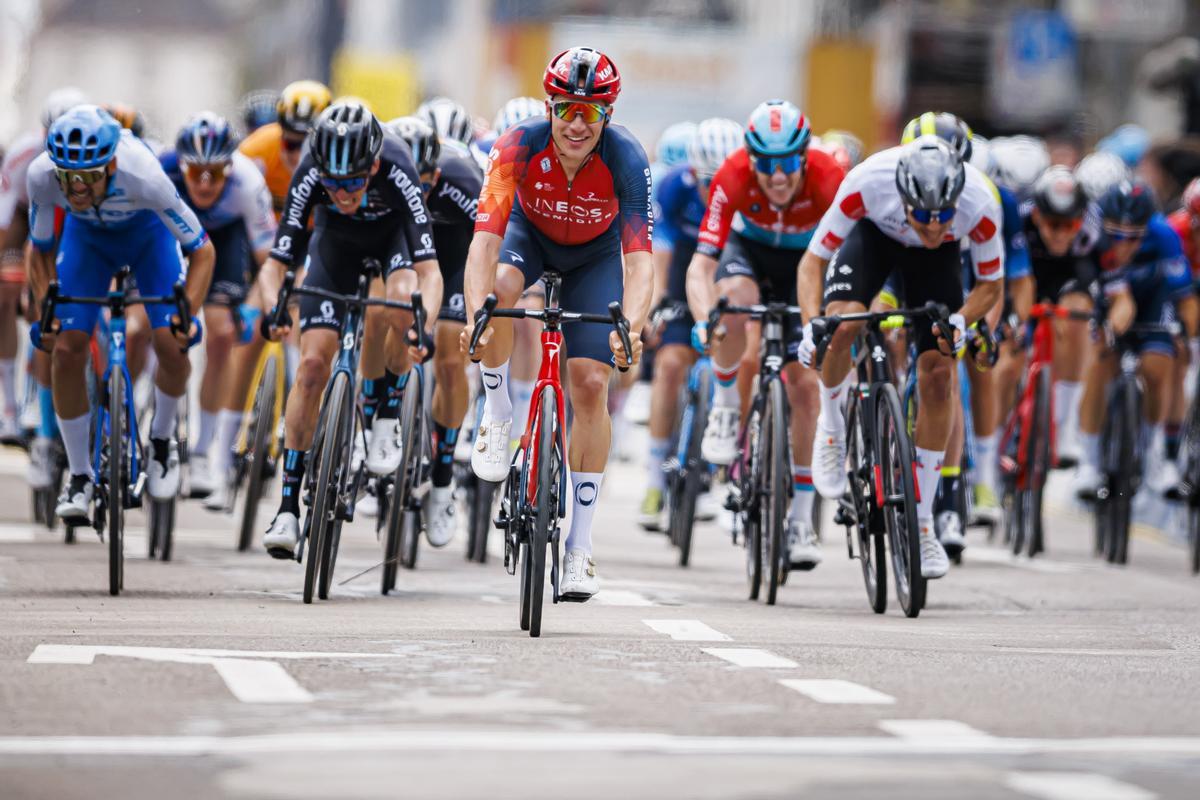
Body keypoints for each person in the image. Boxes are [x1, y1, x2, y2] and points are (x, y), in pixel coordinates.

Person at [461, 46, 652, 599]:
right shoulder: (517, 144)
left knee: (591, 382)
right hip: (528, 237)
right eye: (566, 108)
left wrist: (631, 328)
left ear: (607, 116)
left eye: (589, 112)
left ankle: (580, 549)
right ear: (550, 105)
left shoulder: (627, 157)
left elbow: (640, 263)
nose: (575, 123)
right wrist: (477, 312)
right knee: (496, 297)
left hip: (595, 257)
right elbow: (484, 242)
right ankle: (498, 416)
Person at [798, 136, 1005, 579]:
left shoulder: (979, 203)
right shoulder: (866, 183)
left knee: (939, 373)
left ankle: (924, 519)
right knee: (844, 324)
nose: (932, 227)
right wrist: (810, 323)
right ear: (902, 193)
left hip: (937, 265)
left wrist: (962, 321)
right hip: (874, 240)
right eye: (923, 216)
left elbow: (991, 287)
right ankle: (832, 429)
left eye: (942, 217)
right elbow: (813, 261)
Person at [256, 101, 441, 558]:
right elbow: (276, 266)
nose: (343, 193)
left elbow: (430, 273)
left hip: (391, 239)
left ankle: (386, 414)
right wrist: (272, 308)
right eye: (333, 185)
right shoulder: (310, 171)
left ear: (373, 165)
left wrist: (424, 325)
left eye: (354, 182)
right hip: (334, 248)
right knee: (313, 366)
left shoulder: (398, 166)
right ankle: (287, 507)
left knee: (400, 303)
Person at [26, 105, 216, 519]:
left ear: (111, 164)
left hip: (146, 239)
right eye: (68, 178)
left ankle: (162, 443)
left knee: (171, 344)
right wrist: (47, 310)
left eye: (89, 176)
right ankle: (79, 476)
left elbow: (202, 250)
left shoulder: (144, 175)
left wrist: (189, 314)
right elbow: (38, 252)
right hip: (87, 243)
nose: (77, 188)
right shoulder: (42, 175)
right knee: (65, 349)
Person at [685, 99, 845, 568]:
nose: (778, 177)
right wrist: (703, 320)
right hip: (749, 253)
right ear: (750, 159)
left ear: (804, 155)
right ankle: (727, 405)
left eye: (788, 163)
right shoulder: (732, 174)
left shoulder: (828, 176)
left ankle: (799, 520)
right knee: (732, 302)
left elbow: (850, 261)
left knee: (804, 391)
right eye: (767, 165)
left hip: (805, 263)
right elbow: (701, 268)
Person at [160, 112, 275, 505]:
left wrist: (252, 305)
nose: (205, 182)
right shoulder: (161, 172)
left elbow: (267, 260)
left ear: (230, 166)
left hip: (224, 239)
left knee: (222, 336)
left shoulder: (247, 183)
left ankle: (202, 452)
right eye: (196, 173)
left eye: (215, 172)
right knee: (150, 325)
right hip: (170, 235)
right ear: (182, 166)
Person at [639, 116, 743, 529]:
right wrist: (657, 304)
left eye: (719, 181)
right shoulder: (674, 187)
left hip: (730, 271)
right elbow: (660, 252)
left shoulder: (747, 191)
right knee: (668, 365)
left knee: (743, 364)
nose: (710, 190)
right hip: (685, 272)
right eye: (704, 180)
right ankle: (652, 479)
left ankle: (732, 473)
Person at [387, 115, 483, 546]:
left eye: (424, 184)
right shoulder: (384, 175)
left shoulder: (464, 179)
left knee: (448, 355)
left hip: (457, 252)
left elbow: (489, 244)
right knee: (389, 314)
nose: (418, 191)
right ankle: (379, 421)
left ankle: (442, 479)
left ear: (436, 173)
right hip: (406, 247)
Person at [1074, 181, 1196, 500]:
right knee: (1100, 360)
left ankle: (1151, 447)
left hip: (1153, 302)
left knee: (1160, 367)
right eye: (1116, 235)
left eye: (1133, 237)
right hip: (1109, 300)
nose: (1123, 245)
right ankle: (1088, 459)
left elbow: (1185, 300)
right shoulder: (1093, 233)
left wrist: (1187, 336)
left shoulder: (1164, 235)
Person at [1, 87, 87, 464]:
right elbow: (7, 223)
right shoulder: (25, 158)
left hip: (76, 215)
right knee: (11, 291)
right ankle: (10, 407)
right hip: (29, 213)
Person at [239, 80, 332, 217]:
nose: (299, 155)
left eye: (310, 147)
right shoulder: (256, 150)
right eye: (291, 145)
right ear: (280, 132)